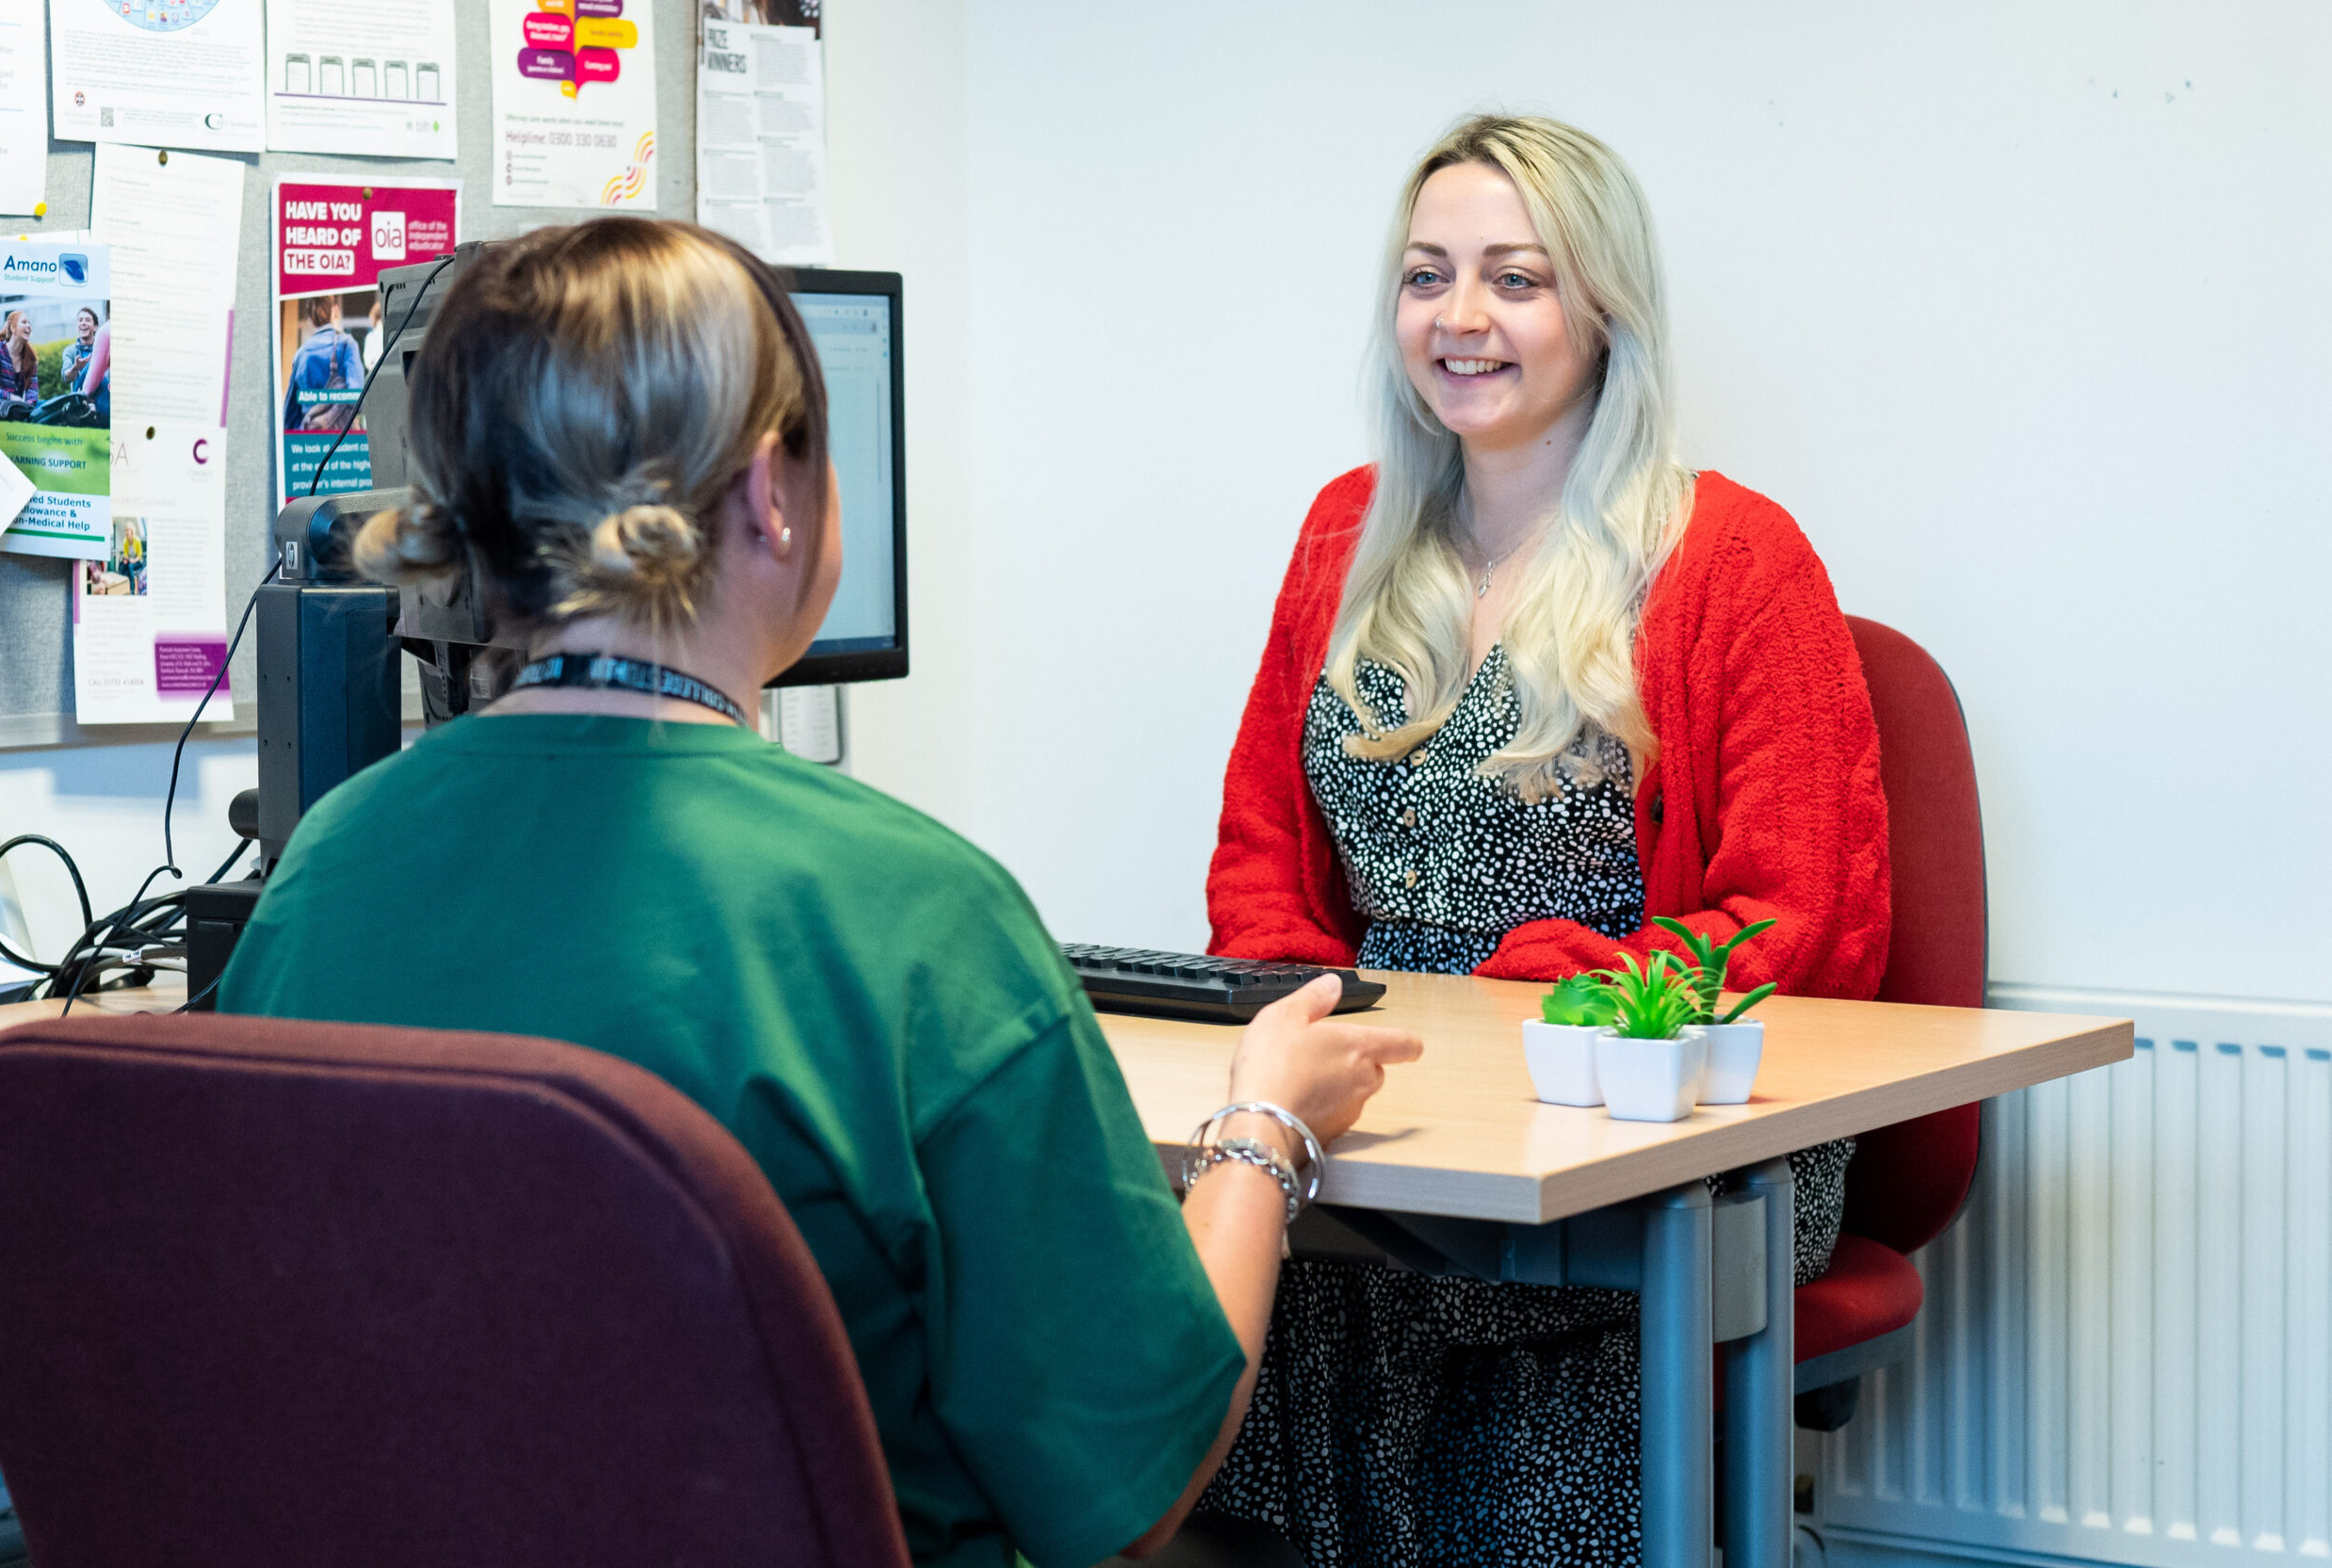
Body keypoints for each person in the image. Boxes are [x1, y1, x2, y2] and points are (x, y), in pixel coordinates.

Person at [217, 218, 1422, 1568]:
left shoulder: (330, 866)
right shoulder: (911, 913)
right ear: (772, 497)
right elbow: (1137, 1482)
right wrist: (1264, 1129)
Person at [1198, 114, 1891, 1567]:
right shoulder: (1347, 534)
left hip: (1664, 1092)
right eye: (1426, 275)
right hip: (1406, 1082)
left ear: (1602, 308)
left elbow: (1796, 914)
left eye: (1514, 278)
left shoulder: (1732, 559)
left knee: (1479, 1291)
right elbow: (1265, 850)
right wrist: (1291, 1020)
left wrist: (1566, 1002)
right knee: (1244, 1254)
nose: (1461, 319)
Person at [283, 295, 364, 432]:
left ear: (310, 321)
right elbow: (358, 399)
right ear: (335, 312)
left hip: (310, 439)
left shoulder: (301, 354)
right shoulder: (346, 345)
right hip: (343, 438)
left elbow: (289, 415)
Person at [0, 311, 39, 414]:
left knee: (44, 405)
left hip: (18, 406)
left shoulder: (30, 357)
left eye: (29, 323)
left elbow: (32, 389)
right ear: (13, 328)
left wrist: (29, 403)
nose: (28, 326)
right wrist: (11, 397)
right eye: (24, 322)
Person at [61, 307, 101, 390]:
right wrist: (75, 368)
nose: (83, 323)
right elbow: (66, 378)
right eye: (80, 320)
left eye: (87, 320)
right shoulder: (70, 351)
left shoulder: (102, 350)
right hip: (79, 397)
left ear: (95, 327)